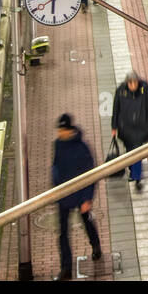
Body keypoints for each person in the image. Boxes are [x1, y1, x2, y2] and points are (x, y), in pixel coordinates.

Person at [50, 114, 102, 280]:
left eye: (62, 130)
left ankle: (95, 244)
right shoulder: (58, 144)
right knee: (63, 232)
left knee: (86, 222)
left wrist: (87, 199)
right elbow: (55, 166)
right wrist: (56, 186)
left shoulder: (82, 148)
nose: (59, 133)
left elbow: (90, 174)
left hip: (80, 196)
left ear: (68, 130)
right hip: (64, 196)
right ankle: (66, 268)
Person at [111, 71, 148, 192]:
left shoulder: (144, 89)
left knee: (137, 153)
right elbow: (116, 108)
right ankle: (132, 169)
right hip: (126, 129)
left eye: (135, 83)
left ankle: (136, 177)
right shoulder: (121, 90)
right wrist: (114, 126)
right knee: (129, 151)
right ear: (127, 84)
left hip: (140, 129)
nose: (133, 86)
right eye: (131, 84)